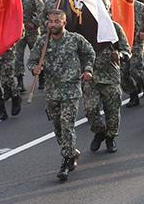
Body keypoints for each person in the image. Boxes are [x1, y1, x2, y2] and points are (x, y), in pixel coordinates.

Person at [29, 10, 96, 182]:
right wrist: (34, 69)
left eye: (57, 21)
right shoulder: (42, 42)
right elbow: (32, 61)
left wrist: (88, 69)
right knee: (58, 127)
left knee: (67, 125)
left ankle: (66, 161)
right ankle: (72, 151)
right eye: (50, 21)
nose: (53, 24)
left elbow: (89, 53)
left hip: (71, 90)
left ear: (64, 23)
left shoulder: (75, 39)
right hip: (52, 91)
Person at [85, 0, 130, 154]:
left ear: (109, 11)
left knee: (112, 112)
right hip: (91, 77)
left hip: (110, 77)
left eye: (105, 9)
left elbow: (126, 50)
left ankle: (111, 138)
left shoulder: (114, 29)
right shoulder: (87, 30)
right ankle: (99, 132)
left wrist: (120, 55)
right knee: (90, 109)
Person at [15, 0, 45, 92]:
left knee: (37, 55)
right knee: (18, 57)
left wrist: (35, 23)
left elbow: (42, 10)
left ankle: (41, 78)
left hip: (32, 32)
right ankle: (20, 82)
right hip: (19, 32)